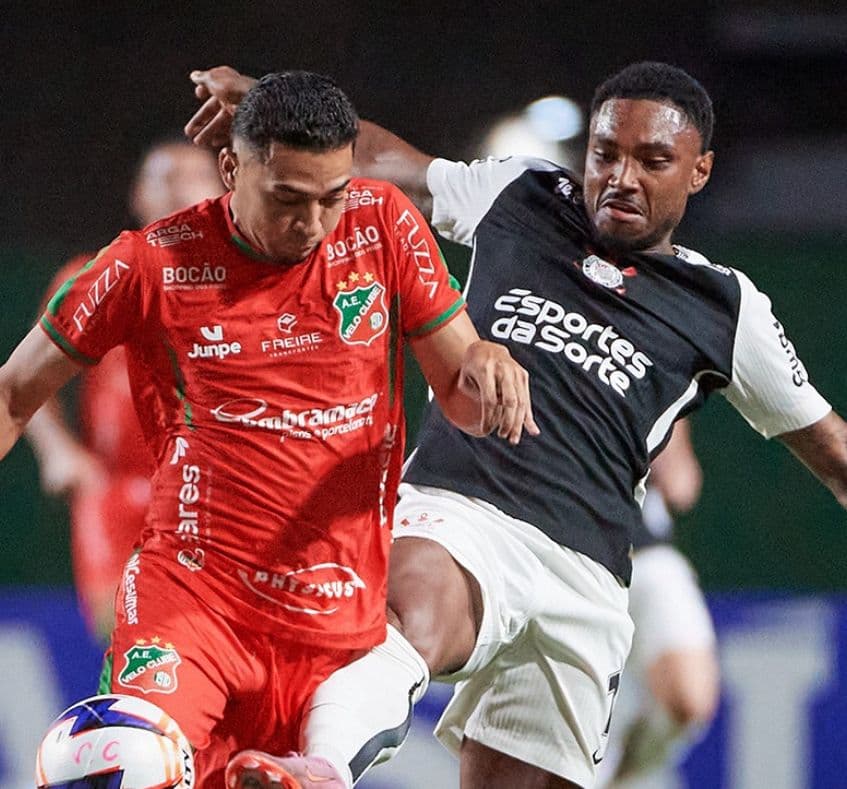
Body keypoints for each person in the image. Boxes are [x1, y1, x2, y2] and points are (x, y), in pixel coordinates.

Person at [186, 61, 847, 789]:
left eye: (652, 160)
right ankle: (318, 768)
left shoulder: (725, 307)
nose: (621, 177)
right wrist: (275, 107)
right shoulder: (524, 195)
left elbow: (833, 454)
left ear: (699, 170)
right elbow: (386, 164)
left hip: (588, 578)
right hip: (463, 507)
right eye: (605, 154)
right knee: (412, 615)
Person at [4, 71, 537, 789]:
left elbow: (462, 396)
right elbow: (13, 391)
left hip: (335, 626)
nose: (313, 224)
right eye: (287, 199)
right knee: (126, 767)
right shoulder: (149, 262)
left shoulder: (382, 223)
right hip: (191, 607)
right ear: (231, 168)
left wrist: (485, 362)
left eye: (331, 197)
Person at [24, 138, 225, 641]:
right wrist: (59, 453)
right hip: (116, 492)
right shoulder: (95, 277)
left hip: (216, 495)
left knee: (212, 648)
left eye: (195, 176)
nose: (182, 188)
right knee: (127, 645)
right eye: (166, 177)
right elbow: (24, 383)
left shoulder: (249, 284)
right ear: (139, 195)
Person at [597, 419, 719, 788]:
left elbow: (683, 484)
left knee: (690, 698)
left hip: (648, 556)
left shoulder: (650, 365)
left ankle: (620, 779)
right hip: (572, 561)